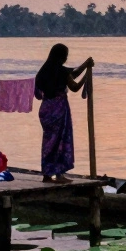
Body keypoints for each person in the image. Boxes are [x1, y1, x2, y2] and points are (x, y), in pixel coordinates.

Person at [34, 43, 93, 183]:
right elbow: (74, 86)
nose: (66, 58)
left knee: (49, 143)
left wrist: (85, 65)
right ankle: (59, 175)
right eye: (65, 55)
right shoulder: (60, 72)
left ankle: (47, 175)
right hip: (58, 110)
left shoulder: (43, 71)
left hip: (46, 109)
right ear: (61, 57)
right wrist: (87, 75)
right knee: (60, 141)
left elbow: (72, 74)